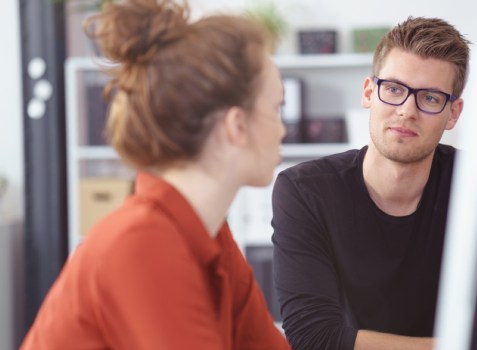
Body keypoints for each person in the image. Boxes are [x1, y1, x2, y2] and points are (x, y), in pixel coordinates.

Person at [20, 0, 290, 349]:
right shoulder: (141, 242)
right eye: (275, 108)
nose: (284, 130)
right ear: (236, 126)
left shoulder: (211, 236)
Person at [271, 16, 471, 350]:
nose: (407, 110)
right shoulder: (305, 191)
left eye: (431, 98)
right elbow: (313, 338)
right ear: (369, 92)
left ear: (453, 113)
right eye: (394, 90)